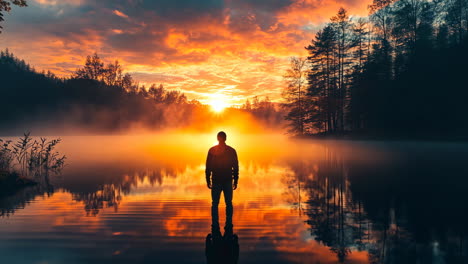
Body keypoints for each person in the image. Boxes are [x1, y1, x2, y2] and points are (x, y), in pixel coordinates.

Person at [205, 131, 239, 236]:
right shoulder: (231, 150)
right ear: (225, 138)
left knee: (215, 203)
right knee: (228, 203)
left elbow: (208, 167)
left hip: (218, 180)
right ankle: (228, 225)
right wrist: (236, 179)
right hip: (226, 180)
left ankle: (215, 225)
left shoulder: (212, 150)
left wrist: (208, 179)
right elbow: (236, 167)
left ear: (217, 138)